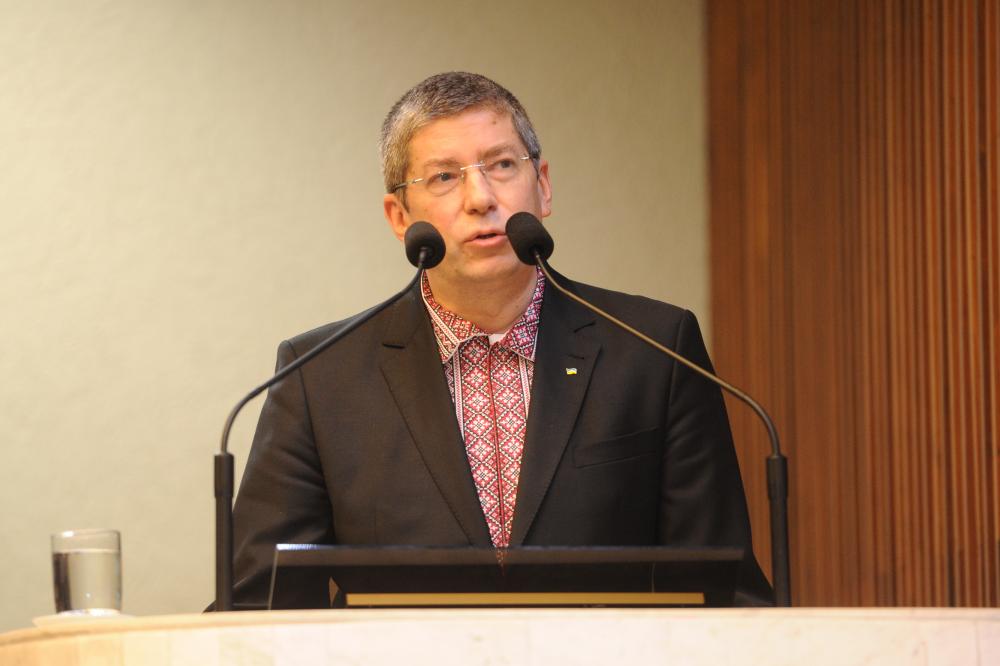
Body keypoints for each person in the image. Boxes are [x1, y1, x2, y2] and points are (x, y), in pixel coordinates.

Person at [231, 72, 773, 606]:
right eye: (444, 177)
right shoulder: (319, 377)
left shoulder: (655, 351)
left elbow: (725, 595)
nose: (480, 197)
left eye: (502, 165)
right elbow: (258, 608)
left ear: (544, 185)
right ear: (399, 216)